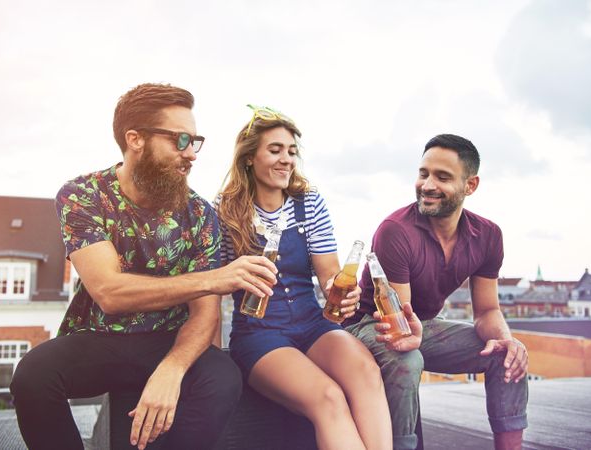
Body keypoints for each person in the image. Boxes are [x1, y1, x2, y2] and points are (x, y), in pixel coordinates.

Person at [10, 84, 279, 450]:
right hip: (100, 337)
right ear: (135, 139)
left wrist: (172, 369)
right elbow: (109, 292)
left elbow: (205, 317)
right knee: (33, 376)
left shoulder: (201, 214)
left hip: (168, 338)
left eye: (195, 141)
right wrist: (214, 278)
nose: (191, 154)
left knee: (222, 378)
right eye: (180, 140)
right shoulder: (84, 194)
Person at [215, 105, 393, 450]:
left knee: (368, 374)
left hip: (313, 324)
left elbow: (329, 277)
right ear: (250, 157)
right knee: (329, 398)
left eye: (292, 152)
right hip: (259, 334)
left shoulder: (308, 202)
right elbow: (211, 289)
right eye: (275, 150)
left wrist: (341, 294)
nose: (287, 159)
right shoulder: (224, 210)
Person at [344, 134, 529, 450]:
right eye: (423, 173)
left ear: (470, 186)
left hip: (422, 327)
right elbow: (397, 322)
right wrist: (411, 336)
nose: (427, 185)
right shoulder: (395, 231)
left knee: (507, 355)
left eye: (442, 177)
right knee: (406, 359)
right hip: (370, 327)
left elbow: (486, 312)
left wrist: (506, 339)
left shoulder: (488, 235)